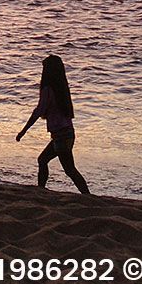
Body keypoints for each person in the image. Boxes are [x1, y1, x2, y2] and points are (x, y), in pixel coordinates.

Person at [16, 54, 90, 194]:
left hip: (61, 135)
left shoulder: (48, 89)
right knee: (44, 160)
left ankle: (86, 195)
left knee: (69, 169)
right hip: (66, 133)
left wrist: (23, 131)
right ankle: (42, 190)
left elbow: (39, 110)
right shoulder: (61, 89)